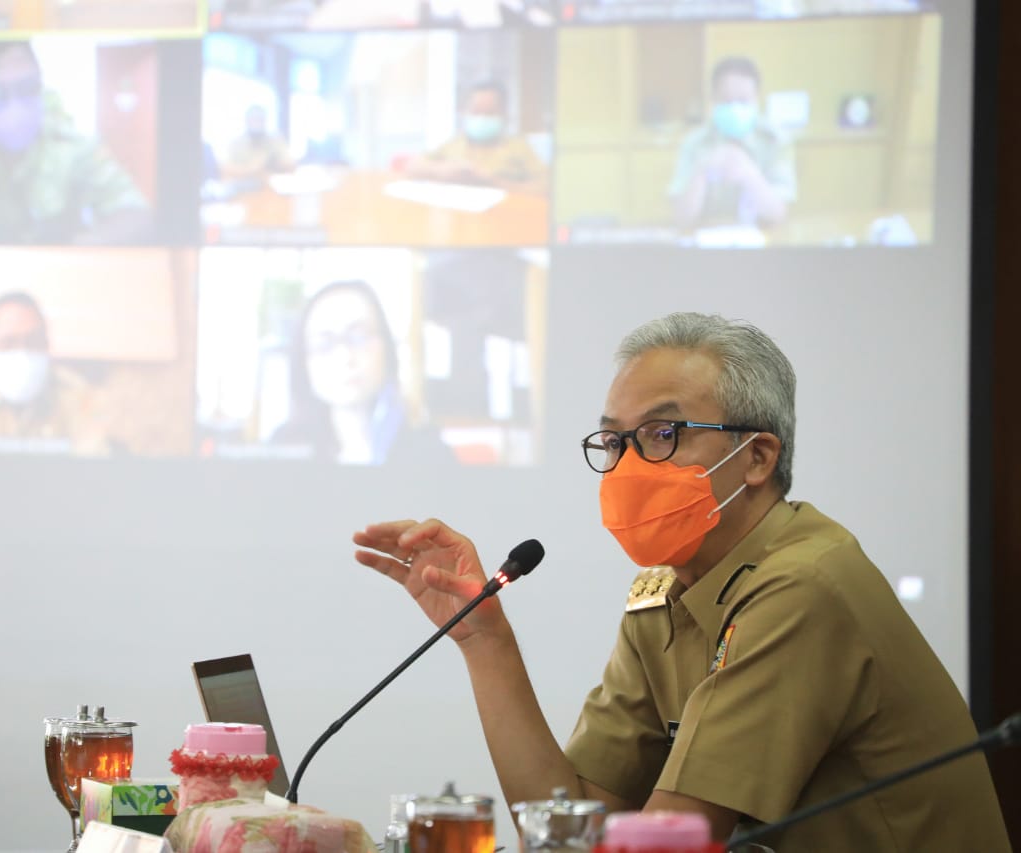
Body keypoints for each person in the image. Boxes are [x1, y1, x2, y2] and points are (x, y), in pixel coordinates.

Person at [353, 313, 1009, 850]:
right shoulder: (665, 592)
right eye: (614, 442)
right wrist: (484, 640)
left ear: (757, 456)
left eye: (663, 433)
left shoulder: (804, 586)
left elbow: (661, 845)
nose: (628, 466)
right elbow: (569, 825)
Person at [0, 41, 151, 244]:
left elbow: (134, 213)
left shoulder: (73, 149)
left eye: (26, 88)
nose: (14, 107)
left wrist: (79, 250)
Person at [270, 280, 452, 466]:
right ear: (303, 363)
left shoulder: (429, 453)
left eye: (359, 337)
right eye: (324, 344)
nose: (345, 357)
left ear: (387, 349)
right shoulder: (284, 450)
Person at [0, 291, 109, 455]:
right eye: (7, 343)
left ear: (47, 346)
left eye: (33, 342)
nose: (22, 353)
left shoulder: (77, 392)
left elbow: (94, 467)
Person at [669, 57, 796, 229]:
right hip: (706, 245)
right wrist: (701, 171)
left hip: (762, 244)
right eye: (727, 101)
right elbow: (681, 219)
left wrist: (750, 175)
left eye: (743, 101)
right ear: (713, 101)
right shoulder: (695, 143)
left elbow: (777, 215)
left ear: (757, 99)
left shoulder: (775, 140)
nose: (735, 109)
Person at [403, 80, 547, 194]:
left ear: (504, 114)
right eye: (476, 112)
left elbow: (546, 188)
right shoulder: (456, 143)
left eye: (490, 113)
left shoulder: (518, 146)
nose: (482, 118)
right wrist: (441, 169)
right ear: (466, 112)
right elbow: (412, 166)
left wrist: (492, 181)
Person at [220, 104, 297, 181]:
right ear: (247, 121)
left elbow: (290, 165)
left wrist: (277, 165)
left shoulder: (276, 140)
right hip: (244, 186)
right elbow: (226, 170)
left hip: (271, 185)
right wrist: (252, 169)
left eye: (260, 119)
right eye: (253, 119)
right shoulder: (236, 143)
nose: (256, 123)